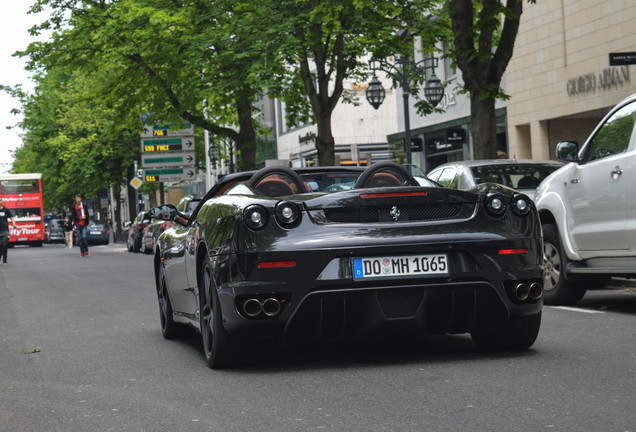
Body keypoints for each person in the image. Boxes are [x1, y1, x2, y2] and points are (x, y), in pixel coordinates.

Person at [0, 198, 17, 265]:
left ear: (2, 201)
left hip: (5, 231)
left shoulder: (6, 210)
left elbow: (11, 218)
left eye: (0, 200)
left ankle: (4, 260)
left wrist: (14, 224)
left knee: (4, 245)